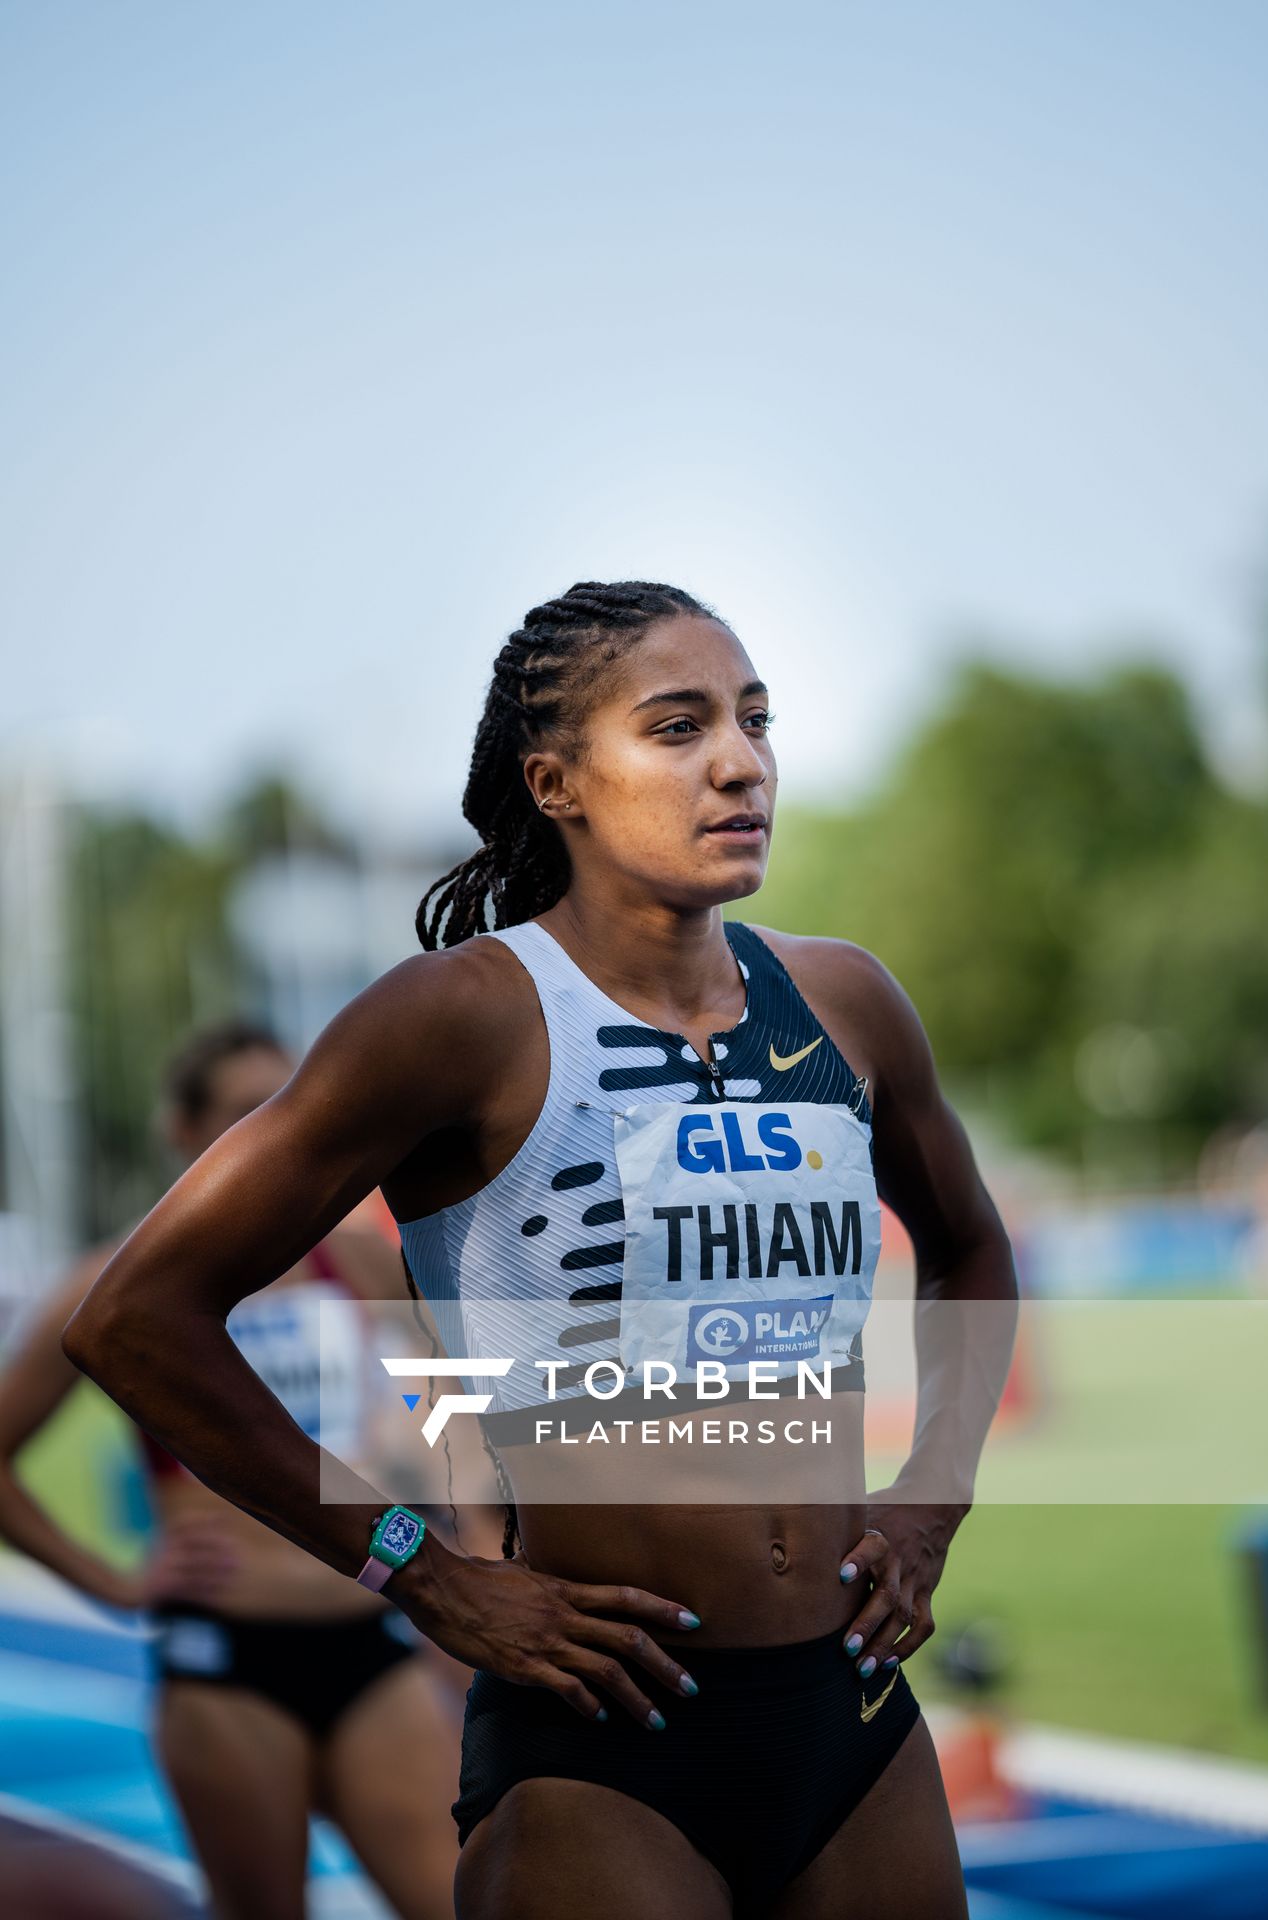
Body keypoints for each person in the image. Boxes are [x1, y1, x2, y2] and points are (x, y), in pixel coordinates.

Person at [64, 581, 1018, 1919]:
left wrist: (934, 1494)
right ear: (557, 780)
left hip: (851, 1713)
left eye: (755, 720)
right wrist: (426, 1569)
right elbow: (133, 1320)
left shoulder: (846, 1002)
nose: (741, 761)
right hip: (604, 1743)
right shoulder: (458, 1020)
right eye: (679, 727)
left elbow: (974, 1248)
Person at [0, 1020, 461, 1920]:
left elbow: (452, 1402)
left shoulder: (354, 1259)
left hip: (371, 1644)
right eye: (248, 1109)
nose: (278, 1131)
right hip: (228, 1661)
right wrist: (113, 1582)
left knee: (459, 1899)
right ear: (183, 1131)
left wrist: (449, 1538)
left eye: (291, 1105)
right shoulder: (117, 1286)